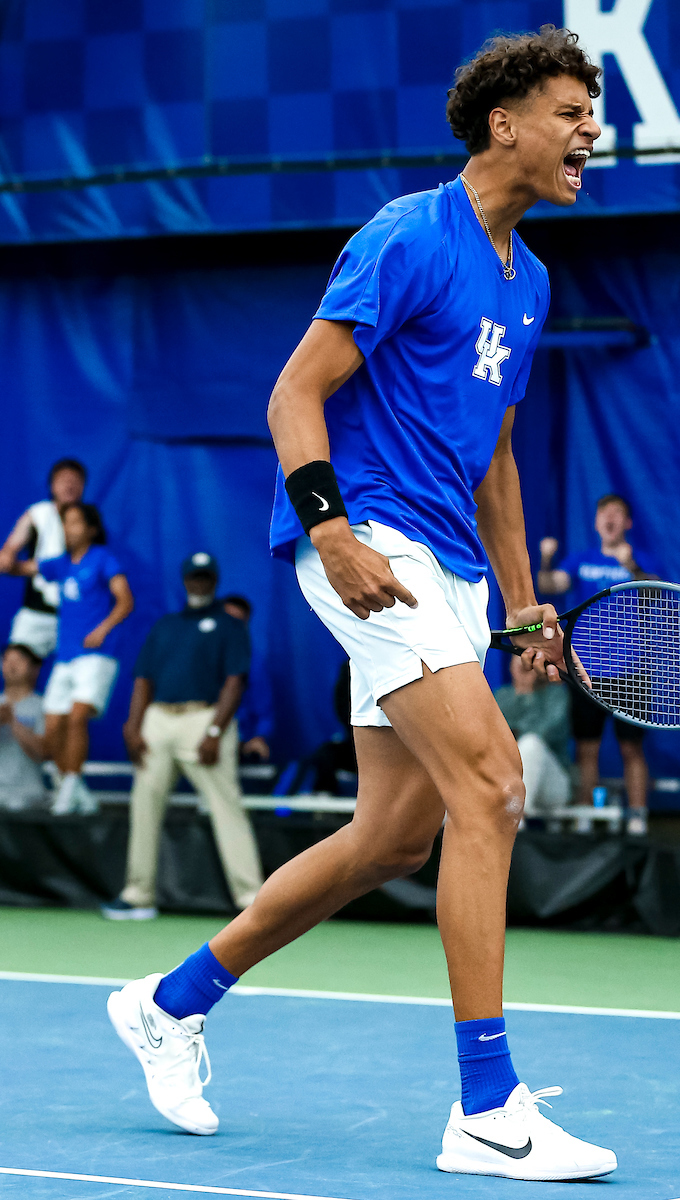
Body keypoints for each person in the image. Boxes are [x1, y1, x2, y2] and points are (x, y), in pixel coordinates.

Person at [106, 29, 617, 1181]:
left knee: (395, 833)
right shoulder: (405, 235)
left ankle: (169, 1003)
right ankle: (485, 1107)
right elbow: (295, 390)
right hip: (368, 539)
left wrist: (524, 605)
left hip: (450, 566)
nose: (590, 130)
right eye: (571, 110)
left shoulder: (526, 281)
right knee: (492, 785)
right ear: (504, 124)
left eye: (592, 112)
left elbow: (493, 457)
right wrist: (329, 530)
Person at [102, 554, 265, 921]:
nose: (199, 583)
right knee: (144, 803)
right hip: (159, 718)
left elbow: (234, 681)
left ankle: (252, 899)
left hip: (204, 718)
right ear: (185, 580)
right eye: (194, 577)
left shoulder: (229, 625)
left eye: (206, 577)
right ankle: (137, 894)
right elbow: (143, 678)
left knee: (227, 807)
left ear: (215, 581)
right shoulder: (166, 625)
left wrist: (213, 731)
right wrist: (133, 725)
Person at [538, 494, 660, 835]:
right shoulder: (580, 560)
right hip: (585, 671)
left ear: (627, 523)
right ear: (596, 522)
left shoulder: (642, 561)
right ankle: (586, 815)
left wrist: (631, 566)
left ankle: (637, 816)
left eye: (617, 513)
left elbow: (658, 595)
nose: (610, 518)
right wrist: (546, 559)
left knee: (631, 747)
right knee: (587, 748)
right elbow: (549, 584)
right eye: (604, 513)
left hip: (633, 670)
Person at [1, 502, 133, 815]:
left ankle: (68, 789)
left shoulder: (103, 559)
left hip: (95, 656)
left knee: (76, 718)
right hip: (66, 658)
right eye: (64, 524)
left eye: (74, 523)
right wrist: (7, 558)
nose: (67, 530)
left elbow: (125, 600)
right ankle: (78, 792)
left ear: (91, 529)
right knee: (53, 727)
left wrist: (103, 629)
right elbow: (22, 569)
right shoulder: (60, 564)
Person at [0, 459, 87, 659]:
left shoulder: (89, 521)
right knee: (16, 665)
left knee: (71, 675)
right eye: (64, 480)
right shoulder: (38, 514)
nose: (70, 485)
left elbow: (86, 565)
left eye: (75, 481)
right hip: (35, 610)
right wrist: (7, 555)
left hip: (75, 615)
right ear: (52, 485)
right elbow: (10, 550)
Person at [494, 652, 571, 818]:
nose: (523, 667)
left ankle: (514, 818)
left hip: (551, 785)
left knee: (531, 743)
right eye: (518, 660)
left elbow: (544, 733)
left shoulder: (556, 696)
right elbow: (492, 737)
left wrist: (527, 692)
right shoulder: (502, 696)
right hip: (504, 778)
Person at [220, 595, 273, 761]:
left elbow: (263, 710)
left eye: (237, 623)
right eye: (226, 621)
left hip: (237, 742)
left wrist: (258, 737)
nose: (231, 628)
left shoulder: (253, 662)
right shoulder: (195, 655)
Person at [0, 644, 48, 812]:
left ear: (34, 668)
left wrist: (13, 722)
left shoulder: (44, 707)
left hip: (29, 796)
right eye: (6, 660)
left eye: (19, 660)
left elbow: (43, 753)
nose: (12, 665)